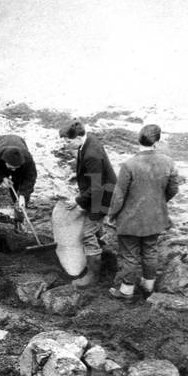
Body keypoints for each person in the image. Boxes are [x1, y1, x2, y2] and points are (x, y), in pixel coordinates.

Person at [106, 124, 179, 300]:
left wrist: (112, 215)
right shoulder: (168, 162)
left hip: (130, 219)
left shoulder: (129, 165)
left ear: (138, 140)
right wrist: (159, 202)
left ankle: (126, 290)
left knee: (129, 255)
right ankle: (148, 287)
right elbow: (173, 188)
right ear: (157, 142)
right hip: (155, 218)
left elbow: (119, 195)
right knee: (150, 251)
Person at [59, 119, 117, 288]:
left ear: (78, 137)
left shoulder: (91, 154)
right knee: (96, 230)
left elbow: (97, 188)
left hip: (101, 197)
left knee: (88, 234)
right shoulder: (88, 140)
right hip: (101, 191)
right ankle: (109, 260)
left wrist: (77, 200)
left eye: (68, 141)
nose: (65, 144)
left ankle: (93, 276)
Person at [0, 134, 37, 217]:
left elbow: (30, 178)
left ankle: (19, 217)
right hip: (1, 144)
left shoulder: (27, 159)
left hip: (19, 142)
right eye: (11, 168)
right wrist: (2, 177)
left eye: (16, 168)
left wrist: (23, 195)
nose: (13, 170)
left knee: (19, 185)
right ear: (4, 162)